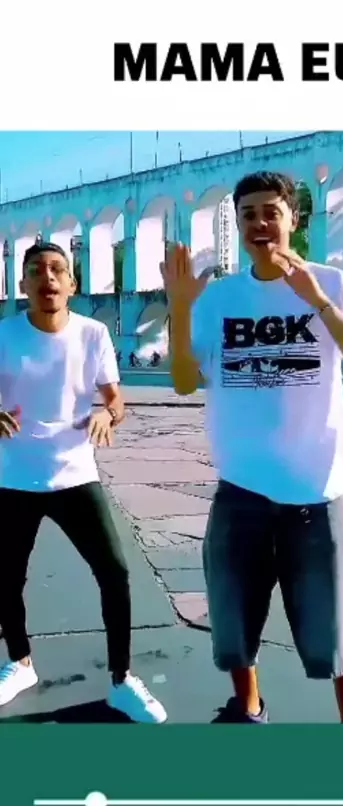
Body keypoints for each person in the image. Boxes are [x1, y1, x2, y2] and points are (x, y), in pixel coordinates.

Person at [162, 171, 343, 724]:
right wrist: (180, 308)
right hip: (240, 491)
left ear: (294, 219)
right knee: (235, 623)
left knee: (337, 633)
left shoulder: (333, 284)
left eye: (271, 212)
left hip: (319, 493)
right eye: (248, 214)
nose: (260, 223)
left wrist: (318, 302)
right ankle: (248, 709)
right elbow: (185, 382)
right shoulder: (218, 298)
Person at [0, 241, 167, 723]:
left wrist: (106, 415)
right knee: (6, 577)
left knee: (114, 572)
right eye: (37, 270)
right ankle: (20, 662)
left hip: (75, 474)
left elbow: (116, 400)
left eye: (57, 269)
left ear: (72, 283)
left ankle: (121, 680)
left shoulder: (93, 334)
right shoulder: (5, 334)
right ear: (23, 283)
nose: (47, 278)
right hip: (15, 477)